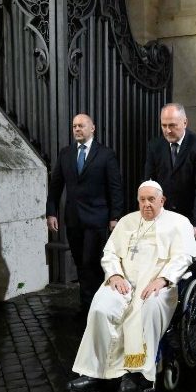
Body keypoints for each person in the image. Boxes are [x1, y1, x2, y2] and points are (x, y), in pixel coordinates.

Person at [67, 181, 196, 392]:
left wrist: (164, 279)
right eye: (142, 200)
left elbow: (184, 256)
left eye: (151, 200)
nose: (146, 205)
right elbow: (109, 253)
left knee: (146, 309)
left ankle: (139, 375)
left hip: (158, 286)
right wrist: (115, 274)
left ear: (162, 200)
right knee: (101, 308)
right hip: (125, 283)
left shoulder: (178, 223)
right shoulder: (127, 222)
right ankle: (95, 373)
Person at [46, 114, 124, 314]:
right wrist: (51, 212)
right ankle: (86, 304)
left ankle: (97, 306)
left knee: (94, 263)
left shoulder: (105, 155)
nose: (77, 129)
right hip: (73, 220)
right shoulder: (66, 154)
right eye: (74, 126)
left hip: (97, 220)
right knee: (81, 263)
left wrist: (115, 217)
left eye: (81, 125)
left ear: (92, 128)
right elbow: (55, 186)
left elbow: (115, 188)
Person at [143, 103, 196, 277]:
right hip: (166, 219)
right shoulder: (155, 146)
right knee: (166, 272)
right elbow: (149, 183)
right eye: (164, 125)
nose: (167, 130)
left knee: (192, 273)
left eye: (172, 125)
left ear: (185, 122)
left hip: (194, 217)